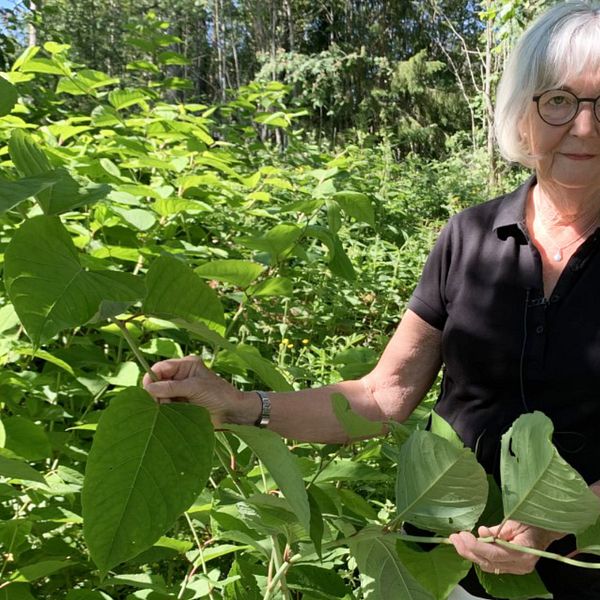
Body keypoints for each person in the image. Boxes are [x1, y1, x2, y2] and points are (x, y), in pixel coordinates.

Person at [144, 2, 600, 598]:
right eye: (559, 101)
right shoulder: (467, 236)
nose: (585, 129)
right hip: (443, 561)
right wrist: (235, 403)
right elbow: (384, 395)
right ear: (523, 115)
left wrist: (556, 519)